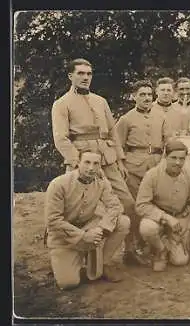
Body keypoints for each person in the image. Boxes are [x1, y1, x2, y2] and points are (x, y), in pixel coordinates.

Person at [51, 58, 142, 265]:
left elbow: (112, 132)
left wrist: (119, 160)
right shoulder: (61, 104)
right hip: (80, 161)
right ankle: (74, 253)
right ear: (70, 76)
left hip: (107, 159)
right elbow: (61, 139)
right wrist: (77, 162)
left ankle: (129, 250)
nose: (85, 78)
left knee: (127, 203)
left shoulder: (100, 101)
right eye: (80, 73)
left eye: (88, 74)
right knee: (75, 208)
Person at [45, 149, 130, 290]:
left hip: (89, 227)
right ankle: (73, 260)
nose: (91, 168)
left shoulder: (101, 183)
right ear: (78, 163)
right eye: (87, 162)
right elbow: (53, 221)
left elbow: (116, 206)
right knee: (68, 283)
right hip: (63, 237)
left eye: (96, 163)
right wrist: (83, 235)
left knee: (123, 222)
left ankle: (104, 263)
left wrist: (101, 228)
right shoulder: (58, 184)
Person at [136, 140, 190, 271]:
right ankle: (160, 251)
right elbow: (141, 205)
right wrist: (166, 218)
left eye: (182, 159)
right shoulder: (152, 175)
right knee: (147, 228)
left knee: (180, 261)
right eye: (173, 158)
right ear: (165, 157)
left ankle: (169, 242)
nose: (178, 162)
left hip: (180, 220)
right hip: (158, 219)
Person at [115, 79, 171, 198]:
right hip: (134, 167)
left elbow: (169, 142)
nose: (147, 98)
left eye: (149, 94)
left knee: (158, 199)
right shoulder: (126, 119)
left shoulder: (161, 117)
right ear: (134, 97)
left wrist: (165, 161)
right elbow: (117, 144)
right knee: (136, 201)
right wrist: (121, 166)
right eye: (142, 95)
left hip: (157, 165)